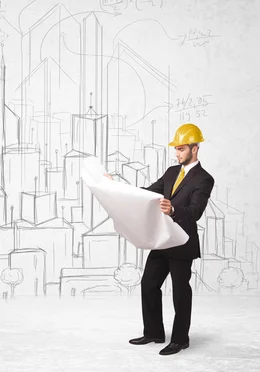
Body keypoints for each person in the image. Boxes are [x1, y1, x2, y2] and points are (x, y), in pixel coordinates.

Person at [104, 123, 215, 356]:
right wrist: (115, 187)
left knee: (180, 292)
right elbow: (148, 193)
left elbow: (195, 211)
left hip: (182, 242)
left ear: (195, 149)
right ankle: (154, 333)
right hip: (163, 239)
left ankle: (180, 340)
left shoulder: (204, 179)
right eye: (176, 149)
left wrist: (173, 209)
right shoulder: (171, 172)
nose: (177, 153)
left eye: (182, 149)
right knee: (149, 284)